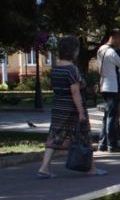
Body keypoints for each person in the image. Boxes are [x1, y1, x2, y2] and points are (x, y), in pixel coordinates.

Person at [38, 36, 107, 178]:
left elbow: (60, 87)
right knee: (84, 136)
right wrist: (81, 112)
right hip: (72, 108)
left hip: (58, 107)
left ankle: (44, 168)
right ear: (73, 51)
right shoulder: (72, 69)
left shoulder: (55, 69)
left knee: (54, 135)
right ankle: (91, 168)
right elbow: (75, 92)